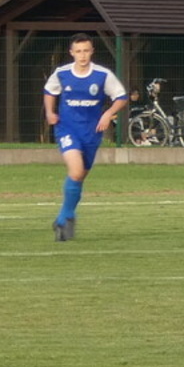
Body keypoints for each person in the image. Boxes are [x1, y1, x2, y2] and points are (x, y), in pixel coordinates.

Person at [43, 32, 128, 241]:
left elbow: (121, 96)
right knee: (76, 170)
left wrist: (108, 113)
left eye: (86, 51)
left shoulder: (102, 75)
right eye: (78, 51)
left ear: (92, 52)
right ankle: (65, 218)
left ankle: (64, 217)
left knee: (80, 177)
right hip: (67, 129)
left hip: (91, 132)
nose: (82, 55)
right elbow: (49, 91)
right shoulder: (62, 73)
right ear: (71, 53)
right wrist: (50, 112)